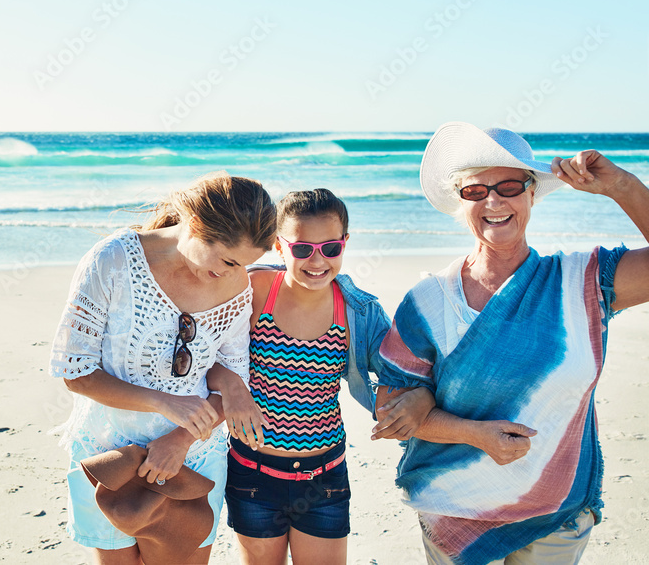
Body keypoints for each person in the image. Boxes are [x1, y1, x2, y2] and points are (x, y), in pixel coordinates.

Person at [373, 122, 649, 565]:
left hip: (557, 514)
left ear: (533, 194)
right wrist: (471, 433)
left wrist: (622, 186)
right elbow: (390, 409)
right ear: (460, 204)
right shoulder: (428, 301)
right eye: (475, 192)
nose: (493, 201)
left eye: (508, 186)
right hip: (453, 510)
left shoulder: (582, 282)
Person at [49, 171, 277, 564]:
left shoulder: (236, 285)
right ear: (196, 224)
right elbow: (76, 371)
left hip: (192, 456)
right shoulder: (113, 260)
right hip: (107, 451)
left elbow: (229, 378)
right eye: (226, 259)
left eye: (243, 264)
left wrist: (180, 439)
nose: (231, 273)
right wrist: (164, 402)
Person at [208, 189, 436, 565]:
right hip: (252, 474)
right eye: (301, 249)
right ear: (280, 247)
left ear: (345, 244)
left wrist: (423, 398)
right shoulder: (253, 291)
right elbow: (204, 355)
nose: (317, 260)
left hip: (324, 479)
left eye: (330, 248)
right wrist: (230, 384)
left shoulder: (357, 312)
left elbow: (410, 371)